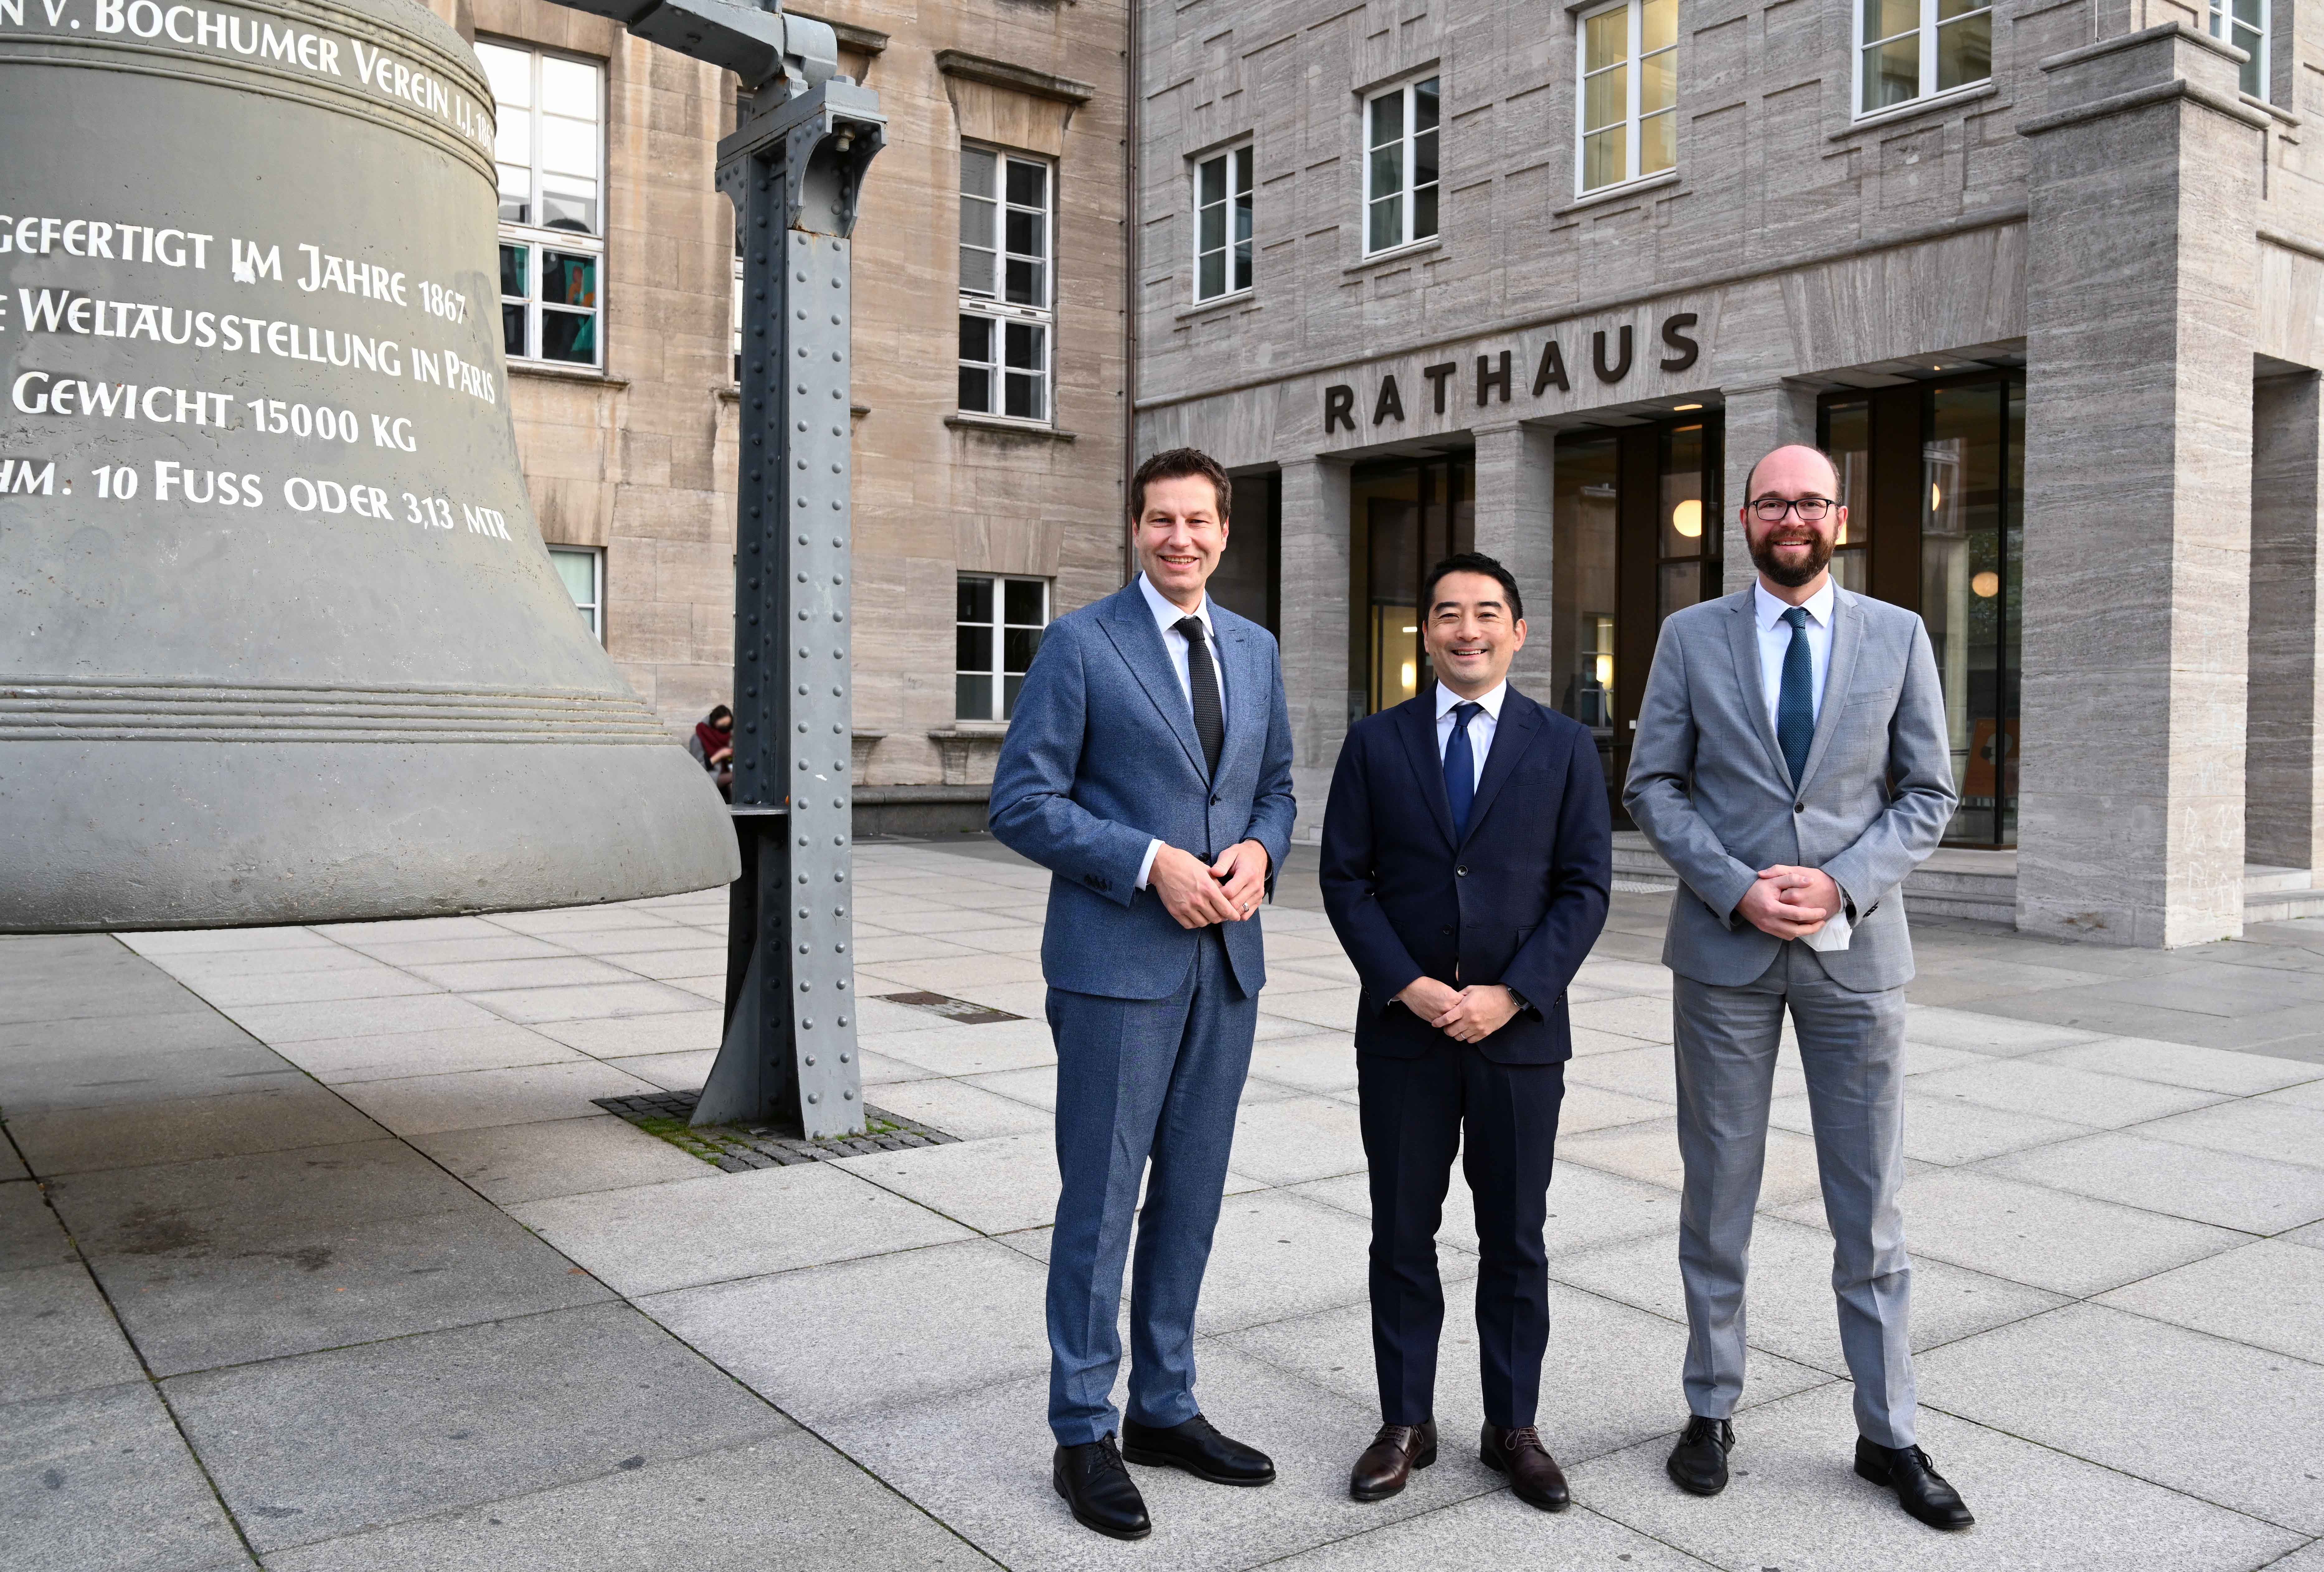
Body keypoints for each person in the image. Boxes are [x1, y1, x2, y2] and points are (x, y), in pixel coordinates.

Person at [1622, 444, 1971, 1531]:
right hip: (1723, 954)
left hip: (1855, 956)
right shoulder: (1689, 636)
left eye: (1809, 500)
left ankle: (1888, 1428)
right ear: (1741, 516)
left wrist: (1839, 883)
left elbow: (1928, 791)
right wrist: (1733, 885)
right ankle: (1710, 1406)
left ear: (1841, 515)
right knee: (1716, 1193)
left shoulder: (1897, 634)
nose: (1791, 515)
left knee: (1869, 1208)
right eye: (1772, 500)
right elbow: (1653, 782)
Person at [989, 447, 1296, 1542]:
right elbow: (1019, 799)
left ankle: (1164, 1404)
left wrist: (1261, 849)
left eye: (1198, 520)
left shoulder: (1254, 648)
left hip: (1227, 965)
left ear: (1225, 530)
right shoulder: (1080, 644)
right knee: (1103, 1199)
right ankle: (1084, 1424)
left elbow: (1274, 785)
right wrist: (1148, 859)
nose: (1180, 538)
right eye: (1160, 520)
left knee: (1193, 1196)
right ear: (1134, 528)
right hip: (1115, 966)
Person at [1320, 551, 1611, 1513]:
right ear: (1426, 632)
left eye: (1487, 612)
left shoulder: (1565, 744)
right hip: (1403, 1034)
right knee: (1402, 1231)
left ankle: (1512, 1423)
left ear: (1518, 632)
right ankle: (1404, 1418)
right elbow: (1343, 878)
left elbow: (1584, 888)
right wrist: (1403, 983)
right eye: (1446, 612)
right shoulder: (1375, 742)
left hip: (1518, 1038)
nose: (1466, 628)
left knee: (1514, 1237)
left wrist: (1513, 991)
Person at [689, 705, 734, 801]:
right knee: (738, 776)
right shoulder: (698, 739)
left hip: (724, 776)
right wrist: (719, 756)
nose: (725, 729)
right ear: (714, 723)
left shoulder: (727, 737)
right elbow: (696, 768)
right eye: (723, 725)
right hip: (709, 777)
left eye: (728, 726)